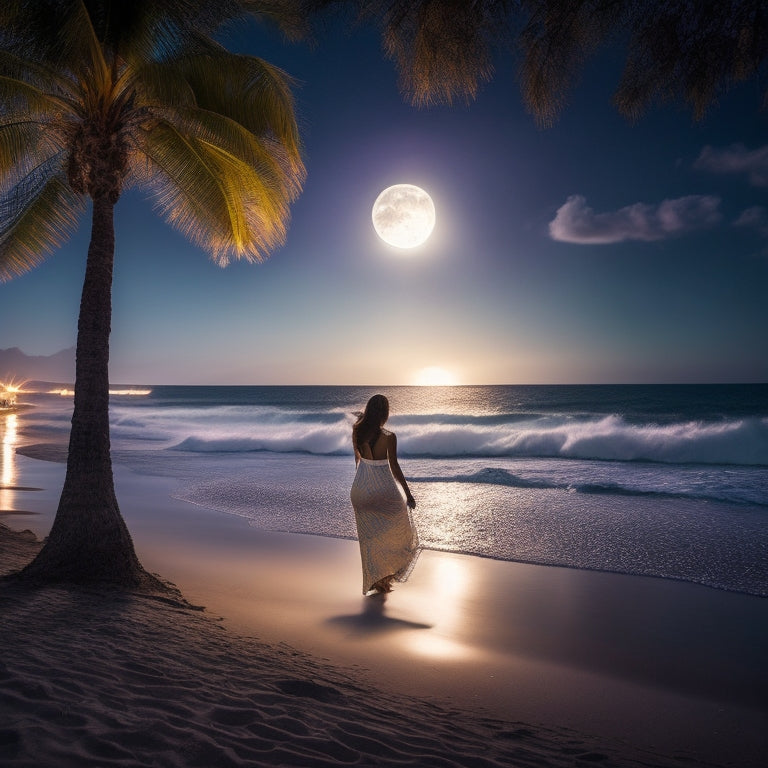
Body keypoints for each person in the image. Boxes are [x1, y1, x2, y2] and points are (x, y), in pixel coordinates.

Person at [350, 394, 420, 595]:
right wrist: (408, 494)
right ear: (385, 413)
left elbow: (358, 462)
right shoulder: (389, 437)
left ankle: (376, 580)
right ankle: (385, 577)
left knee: (369, 538)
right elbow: (394, 467)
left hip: (360, 490)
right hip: (383, 489)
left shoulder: (356, 431)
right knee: (397, 530)